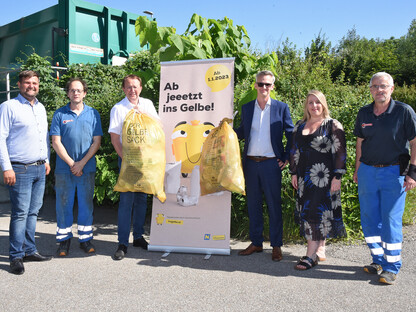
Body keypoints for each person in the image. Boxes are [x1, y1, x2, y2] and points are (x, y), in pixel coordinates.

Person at [353, 72, 416, 285]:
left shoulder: (404, 112)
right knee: (369, 218)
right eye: (375, 86)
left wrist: (413, 173)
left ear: (392, 88)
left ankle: (391, 267)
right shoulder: (364, 113)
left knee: (390, 219)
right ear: (370, 89)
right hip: (367, 172)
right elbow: (360, 143)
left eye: (383, 86)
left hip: (394, 172)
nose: (379, 90)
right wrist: (357, 170)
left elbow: (415, 143)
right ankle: (377, 260)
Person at [234, 70, 294, 261]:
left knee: (274, 205)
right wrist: (224, 130)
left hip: (271, 164)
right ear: (255, 85)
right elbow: (242, 132)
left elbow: (291, 134)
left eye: (267, 84)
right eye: (260, 84)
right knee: (253, 205)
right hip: (250, 163)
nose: (264, 87)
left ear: (273, 86)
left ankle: (276, 245)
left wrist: (286, 157)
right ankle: (256, 243)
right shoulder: (247, 108)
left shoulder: (281, 108)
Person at [0, 70, 52, 275]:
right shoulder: (8, 107)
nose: (32, 86)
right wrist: (6, 167)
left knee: (33, 212)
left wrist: (46, 160)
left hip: (39, 167)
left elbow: (43, 136)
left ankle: (30, 250)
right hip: (19, 169)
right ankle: (15, 256)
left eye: (35, 83)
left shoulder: (41, 108)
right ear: (19, 84)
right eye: (28, 82)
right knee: (20, 213)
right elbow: (1, 139)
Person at [289, 90, 347, 270]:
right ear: (306, 106)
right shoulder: (299, 126)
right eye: (310, 102)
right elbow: (293, 150)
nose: (314, 106)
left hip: (325, 178)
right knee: (309, 213)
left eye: (318, 102)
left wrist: (337, 176)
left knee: (316, 212)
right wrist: (293, 173)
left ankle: (310, 255)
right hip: (305, 179)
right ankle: (319, 247)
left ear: (323, 104)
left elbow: (340, 152)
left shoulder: (332, 125)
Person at [109, 74, 160, 260]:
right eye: (129, 87)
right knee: (126, 202)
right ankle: (122, 242)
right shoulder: (118, 109)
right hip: (128, 162)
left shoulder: (147, 104)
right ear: (124, 89)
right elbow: (115, 139)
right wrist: (127, 160)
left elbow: (157, 129)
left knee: (141, 200)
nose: (132, 90)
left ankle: (138, 236)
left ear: (141, 88)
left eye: (135, 87)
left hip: (146, 162)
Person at [50, 78, 102, 256]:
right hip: (65, 169)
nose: (76, 93)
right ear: (68, 93)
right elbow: (56, 142)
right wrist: (73, 164)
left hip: (86, 168)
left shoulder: (93, 114)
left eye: (79, 90)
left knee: (86, 204)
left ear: (85, 93)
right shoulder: (59, 114)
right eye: (72, 90)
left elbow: (97, 142)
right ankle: (64, 241)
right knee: (63, 204)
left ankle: (85, 239)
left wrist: (82, 163)